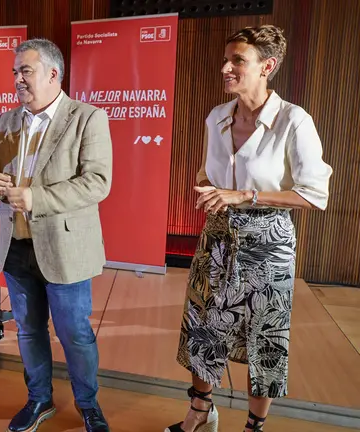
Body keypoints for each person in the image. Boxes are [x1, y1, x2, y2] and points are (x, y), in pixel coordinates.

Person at [167, 25, 332, 432]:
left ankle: (254, 426)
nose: (225, 68)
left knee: (264, 337)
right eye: (226, 59)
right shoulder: (217, 117)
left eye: (237, 60)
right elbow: (209, 172)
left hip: (268, 241)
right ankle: (201, 411)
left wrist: (245, 195)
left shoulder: (293, 120)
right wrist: (207, 187)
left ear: (267, 66)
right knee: (204, 326)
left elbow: (315, 195)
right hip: (217, 236)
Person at [0, 38, 112, 432]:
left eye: (26, 71)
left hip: (65, 247)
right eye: (15, 72)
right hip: (17, 245)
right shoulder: (7, 120)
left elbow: (97, 182)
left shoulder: (87, 118)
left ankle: (88, 404)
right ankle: (39, 399)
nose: (17, 79)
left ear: (53, 74)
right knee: (28, 330)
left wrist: (36, 198)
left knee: (75, 334)